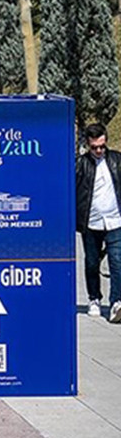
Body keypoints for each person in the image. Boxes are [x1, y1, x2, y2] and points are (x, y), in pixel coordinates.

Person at [76, 123, 121, 322]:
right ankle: (94, 298)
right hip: (91, 222)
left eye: (102, 146)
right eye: (95, 147)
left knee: (117, 262)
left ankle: (116, 302)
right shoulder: (80, 164)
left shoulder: (117, 161)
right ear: (88, 145)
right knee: (92, 263)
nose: (99, 151)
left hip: (115, 220)